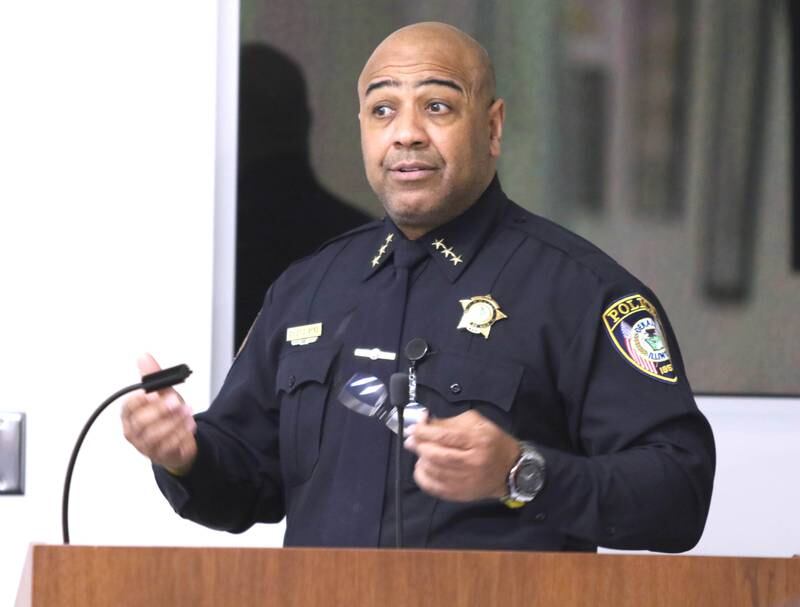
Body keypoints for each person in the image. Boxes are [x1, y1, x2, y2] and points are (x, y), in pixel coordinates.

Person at [122, 22, 715, 552]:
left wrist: (520, 471)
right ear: (361, 129)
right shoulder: (306, 290)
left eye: (436, 106)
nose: (406, 134)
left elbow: (678, 492)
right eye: (383, 110)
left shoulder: (583, 292)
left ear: (492, 126)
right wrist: (186, 454)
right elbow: (249, 480)